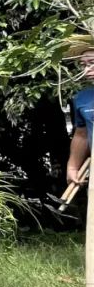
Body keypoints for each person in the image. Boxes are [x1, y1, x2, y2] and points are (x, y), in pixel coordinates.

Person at [63, 35, 94, 186]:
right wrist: (73, 166)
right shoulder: (82, 98)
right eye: (83, 64)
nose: (87, 69)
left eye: (92, 63)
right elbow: (82, 134)